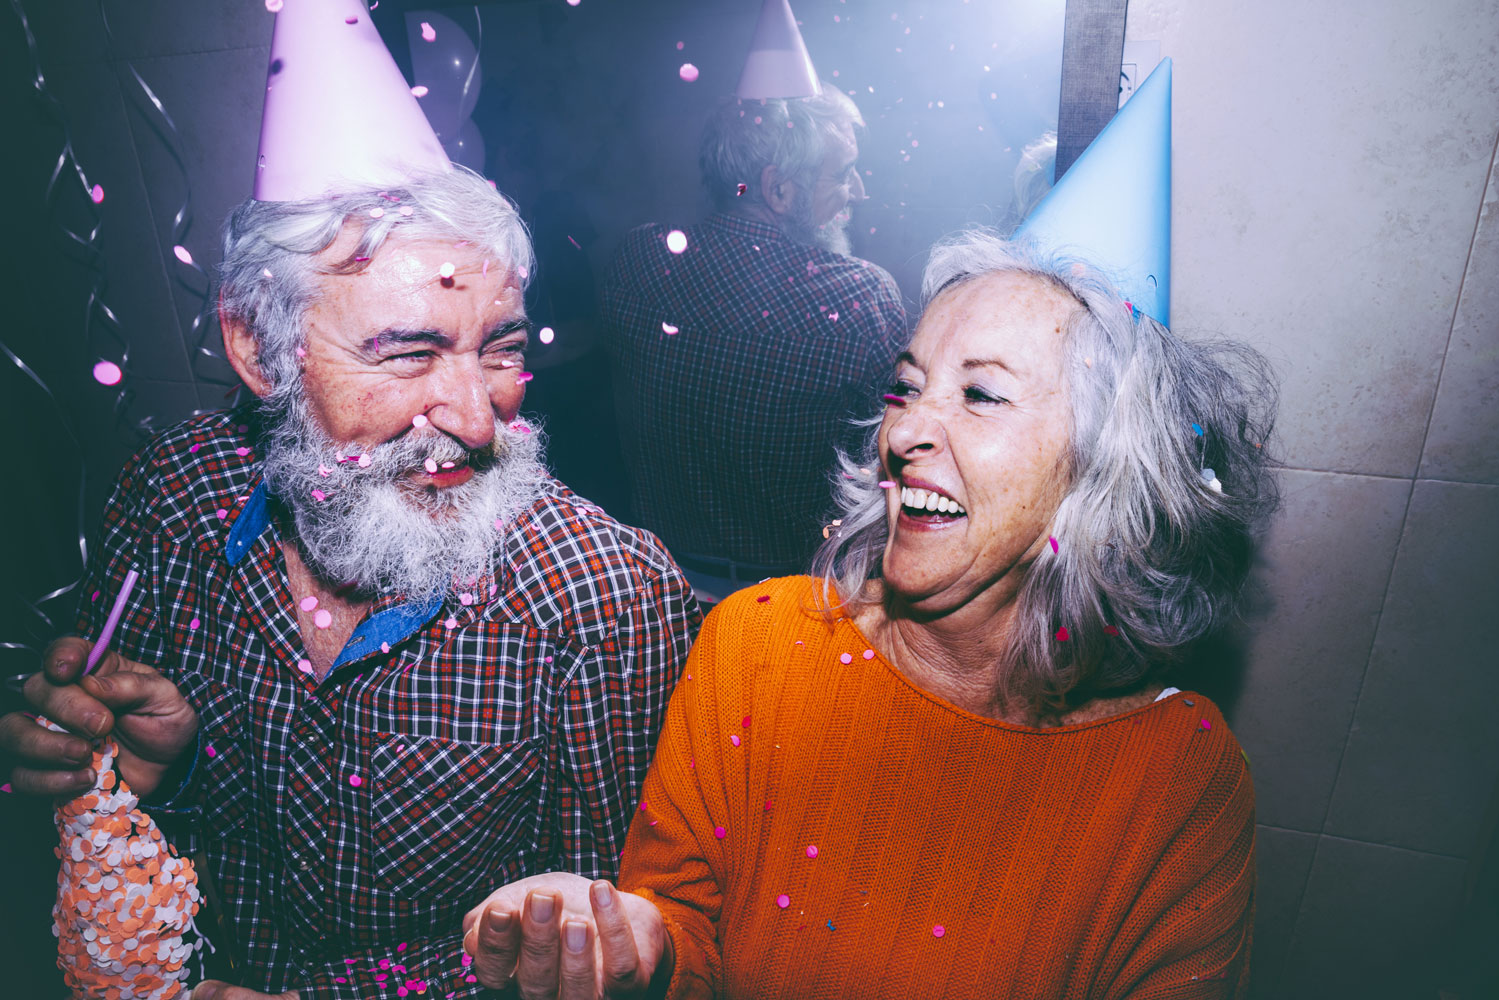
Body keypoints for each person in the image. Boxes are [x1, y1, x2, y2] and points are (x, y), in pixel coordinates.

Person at [0, 6, 697, 999]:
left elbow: (601, 952)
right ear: (257, 349)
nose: (474, 415)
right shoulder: (172, 500)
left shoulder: (605, 595)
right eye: (409, 350)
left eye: (499, 346)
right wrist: (142, 772)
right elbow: (127, 856)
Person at [458, 223, 1277, 998]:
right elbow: (684, 928)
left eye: (983, 395)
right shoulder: (760, 642)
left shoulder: (1178, 781)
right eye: (906, 386)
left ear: (1107, 469)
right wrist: (643, 949)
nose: (909, 428)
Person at [601, 79, 908, 602]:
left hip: (652, 589)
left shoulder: (639, 259)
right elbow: (892, 461)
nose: (858, 191)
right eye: (842, 173)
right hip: (794, 601)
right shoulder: (859, 295)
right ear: (779, 190)